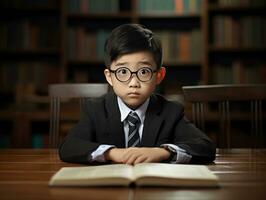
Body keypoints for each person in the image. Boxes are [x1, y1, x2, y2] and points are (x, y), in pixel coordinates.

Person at [59, 23, 216, 165]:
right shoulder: (95, 109)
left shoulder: (171, 112)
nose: (133, 83)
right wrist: (112, 153)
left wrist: (162, 152)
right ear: (109, 77)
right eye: (122, 71)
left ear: (159, 76)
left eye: (144, 71)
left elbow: (205, 146)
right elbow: (68, 146)